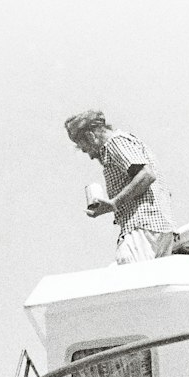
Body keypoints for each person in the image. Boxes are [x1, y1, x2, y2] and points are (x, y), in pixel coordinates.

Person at [64, 109, 177, 264]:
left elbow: (147, 175)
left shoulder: (114, 143)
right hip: (161, 228)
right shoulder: (129, 141)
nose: (90, 156)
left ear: (91, 136)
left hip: (141, 227)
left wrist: (114, 203)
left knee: (127, 277)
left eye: (86, 148)